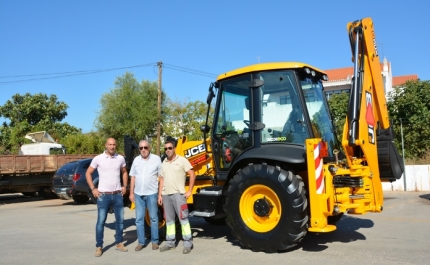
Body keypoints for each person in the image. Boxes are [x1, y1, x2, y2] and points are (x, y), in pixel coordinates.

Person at [86, 137, 129, 257]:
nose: (112, 146)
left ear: (116, 145)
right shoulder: (98, 159)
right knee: (100, 222)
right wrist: (93, 189)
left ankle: (119, 243)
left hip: (117, 195)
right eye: (110, 144)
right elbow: (88, 173)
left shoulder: (120, 158)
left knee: (120, 221)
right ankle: (99, 246)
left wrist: (125, 186)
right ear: (106, 145)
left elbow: (124, 172)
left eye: (114, 144)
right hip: (103, 195)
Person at [158, 139, 196, 254]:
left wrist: (189, 191)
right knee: (169, 221)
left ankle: (188, 243)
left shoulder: (182, 160)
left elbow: (192, 174)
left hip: (179, 195)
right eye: (165, 149)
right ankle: (170, 243)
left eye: (170, 148)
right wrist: (160, 194)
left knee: (183, 219)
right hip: (166, 195)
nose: (167, 150)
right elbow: (162, 179)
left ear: (174, 148)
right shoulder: (163, 162)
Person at [129, 140, 161, 251]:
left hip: (152, 193)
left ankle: (155, 241)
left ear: (149, 148)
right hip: (138, 194)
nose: (143, 150)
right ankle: (141, 242)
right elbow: (133, 176)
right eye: (141, 148)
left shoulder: (156, 159)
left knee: (154, 218)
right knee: (139, 219)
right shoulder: (136, 160)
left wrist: (160, 194)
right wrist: (131, 193)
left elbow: (161, 177)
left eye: (145, 147)